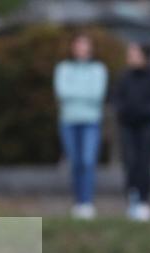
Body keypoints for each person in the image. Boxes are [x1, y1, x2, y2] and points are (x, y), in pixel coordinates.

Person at [54, 33, 108, 220]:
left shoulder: (98, 69)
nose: (81, 49)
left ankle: (87, 202)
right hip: (69, 121)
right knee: (75, 163)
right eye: (78, 45)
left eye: (85, 46)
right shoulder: (63, 68)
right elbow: (62, 92)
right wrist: (83, 92)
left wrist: (75, 93)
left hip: (91, 121)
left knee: (88, 161)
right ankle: (78, 203)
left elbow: (97, 94)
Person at [113, 42, 150, 221]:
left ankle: (144, 201)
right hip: (128, 126)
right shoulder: (124, 77)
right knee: (130, 163)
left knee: (144, 163)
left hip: (147, 127)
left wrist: (147, 112)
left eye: (135, 54)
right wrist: (124, 112)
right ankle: (132, 199)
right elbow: (116, 99)